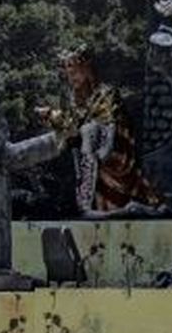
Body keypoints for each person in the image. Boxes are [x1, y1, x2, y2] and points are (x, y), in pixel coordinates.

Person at [38, 46, 164, 216]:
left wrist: (79, 131)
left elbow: (104, 128)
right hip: (90, 149)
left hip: (115, 151)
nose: (71, 74)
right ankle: (86, 204)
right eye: (67, 69)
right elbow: (73, 126)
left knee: (90, 134)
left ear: (87, 69)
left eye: (75, 69)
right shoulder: (73, 98)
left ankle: (90, 203)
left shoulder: (106, 93)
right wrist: (53, 117)